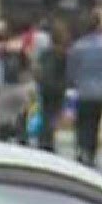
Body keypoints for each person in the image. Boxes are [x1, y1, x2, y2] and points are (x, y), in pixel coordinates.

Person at [65, 15, 102, 168]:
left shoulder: (77, 47)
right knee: (95, 122)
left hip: (82, 90)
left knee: (82, 122)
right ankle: (92, 152)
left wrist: (71, 85)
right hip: (101, 91)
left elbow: (71, 71)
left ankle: (82, 149)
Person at [33, 21, 69, 153]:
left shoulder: (45, 53)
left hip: (45, 87)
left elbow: (38, 69)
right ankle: (48, 141)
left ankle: (43, 140)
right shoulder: (63, 54)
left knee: (45, 114)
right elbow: (65, 72)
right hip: (57, 88)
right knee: (52, 115)